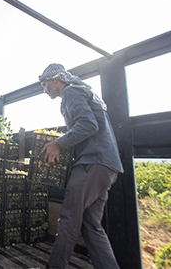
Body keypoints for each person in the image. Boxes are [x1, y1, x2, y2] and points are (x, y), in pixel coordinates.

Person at [38, 63, 123, 269]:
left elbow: (88, 125)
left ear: (55, 80)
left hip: (92, 165)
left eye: (45, 84)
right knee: (90, 225)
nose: (44, 89)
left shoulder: (71, 91)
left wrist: (58, 143)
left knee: (68, 218)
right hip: (107, 168)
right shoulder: (84, 92)